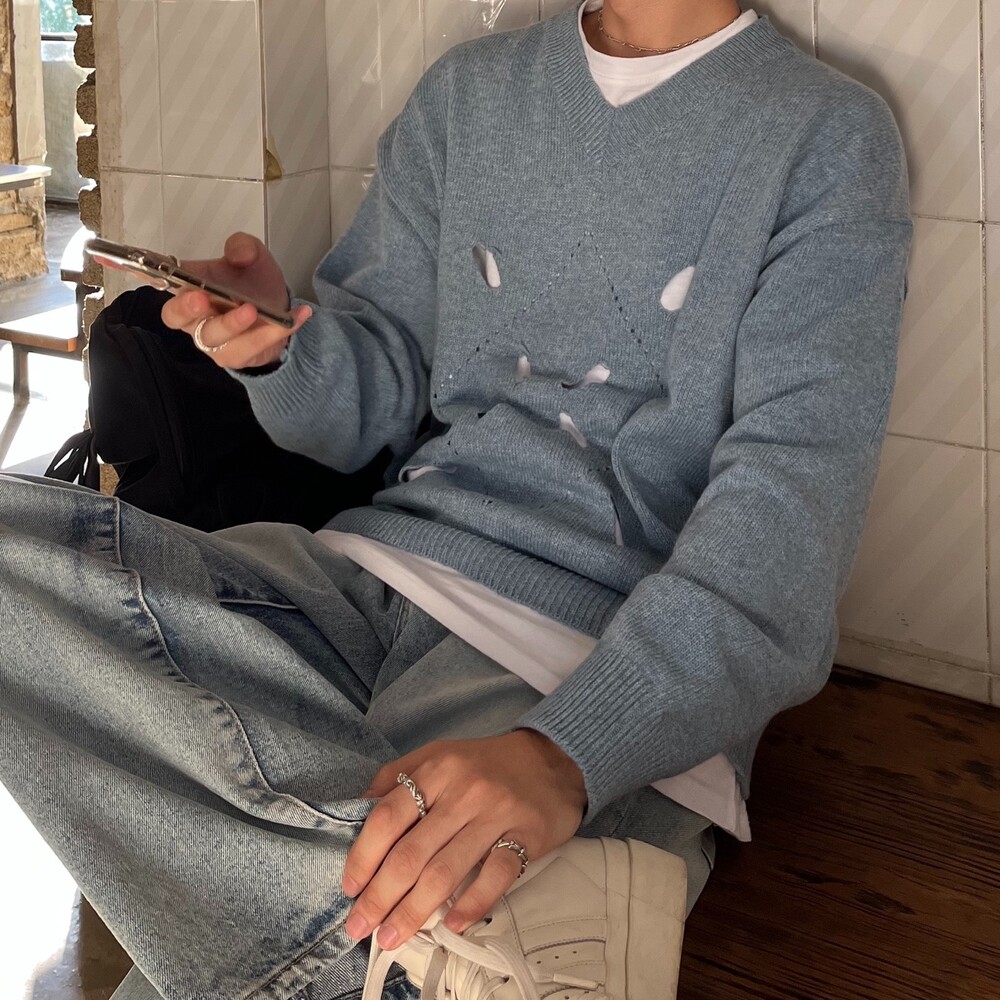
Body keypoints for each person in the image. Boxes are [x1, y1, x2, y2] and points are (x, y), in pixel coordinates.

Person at [0, 1, 912, 998]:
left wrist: (566, 755)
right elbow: (370, 404)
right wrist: (281, 348)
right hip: (356, 579)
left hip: (578, 653)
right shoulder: (467, 95)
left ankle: (390, 930)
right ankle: (447, 942)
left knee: (299, 933)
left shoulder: (826, 136)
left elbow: (786, 525)